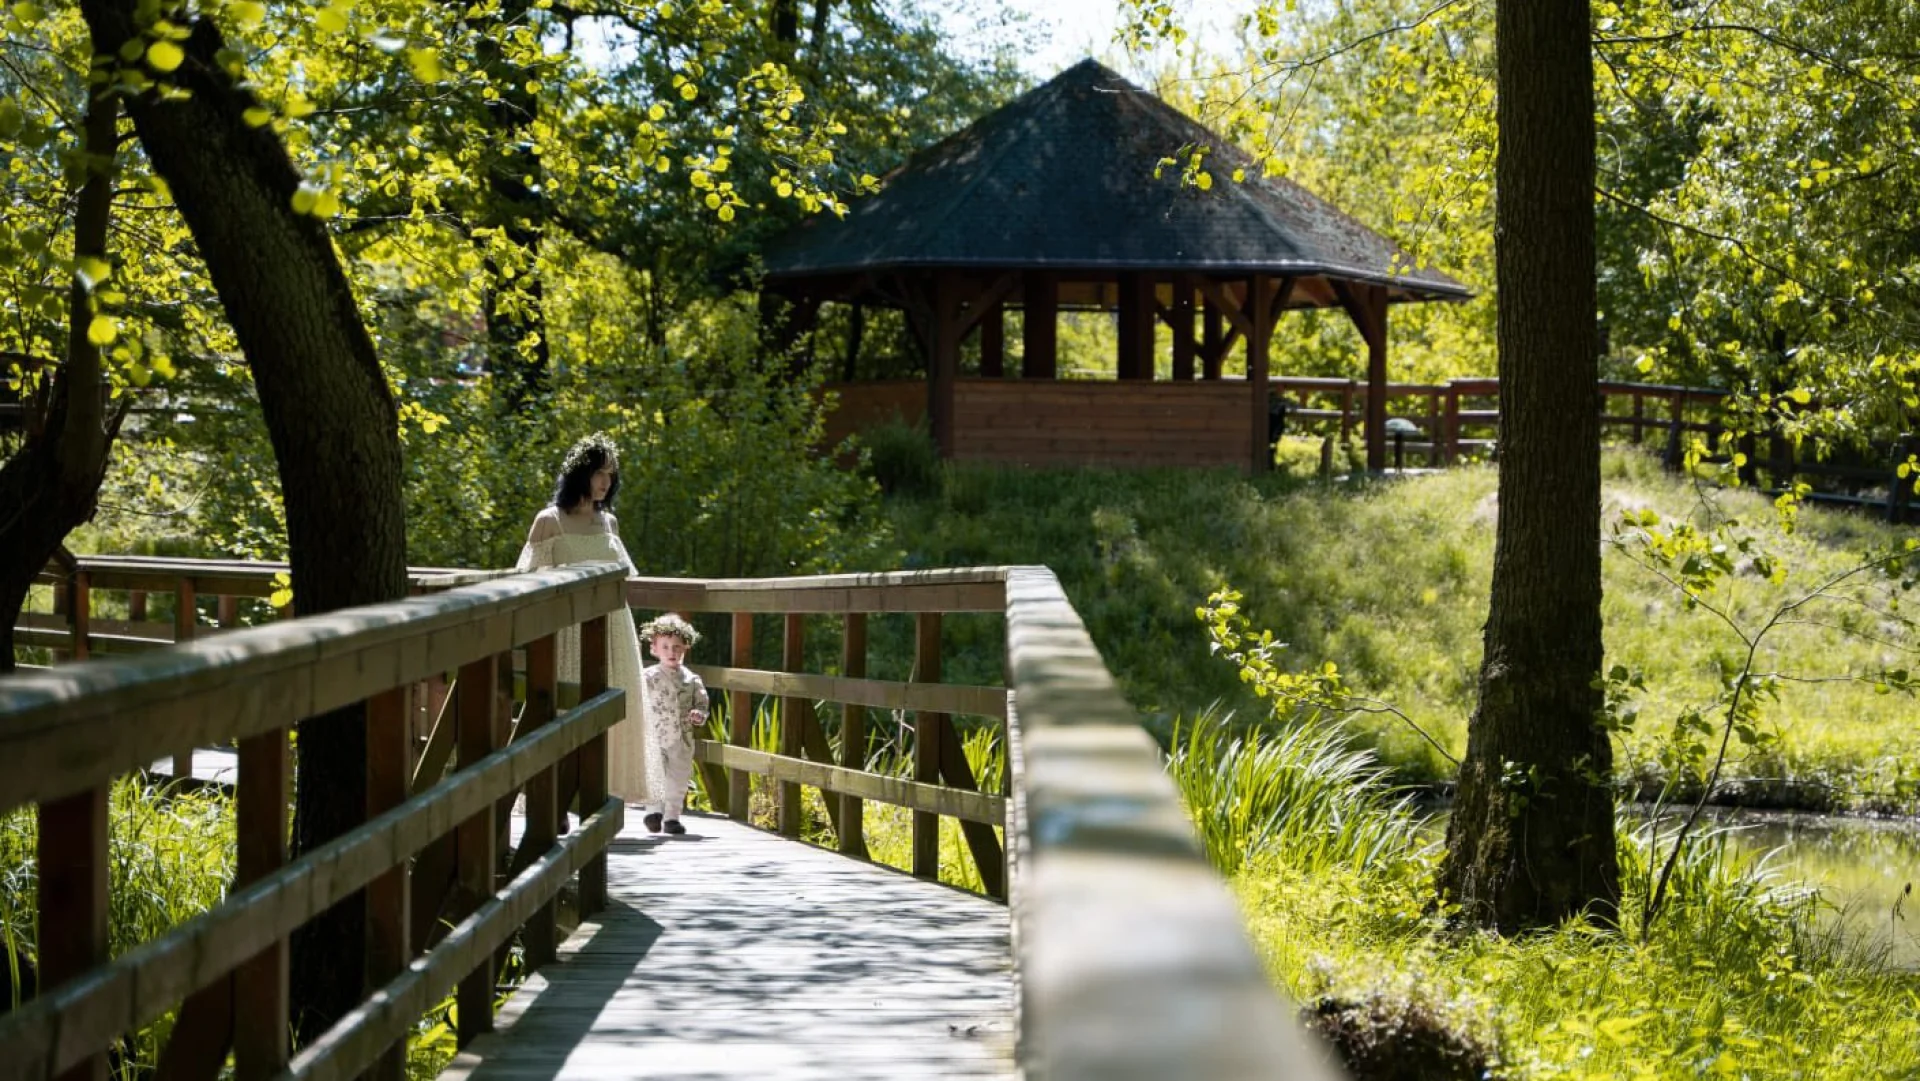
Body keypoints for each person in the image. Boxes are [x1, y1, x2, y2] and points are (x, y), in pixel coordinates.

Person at [515, 432, 654, 808]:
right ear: (581, 473)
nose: (606, 481)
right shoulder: (550, 521)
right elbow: (527, 583)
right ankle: (557, 801)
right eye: (599, 472)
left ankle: (601, 796)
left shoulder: (609, 523)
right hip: (567, 631)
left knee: (613, 707)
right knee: (564, 708)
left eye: (611, 474)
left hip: (612, 627)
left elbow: (621, 578)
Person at [636, 613, 709, 835]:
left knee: (678, 778)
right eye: (665, 647)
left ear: (685, 648)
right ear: (654, 649)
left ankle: (672, 818)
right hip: (654, 735)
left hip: (682, 739)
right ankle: (653, 812)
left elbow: (702, 704)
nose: (671, 652)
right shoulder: (647, 677)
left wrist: (699, 714)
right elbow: (638, 702)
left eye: (677, 647)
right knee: (655, 773)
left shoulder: (692, 679)